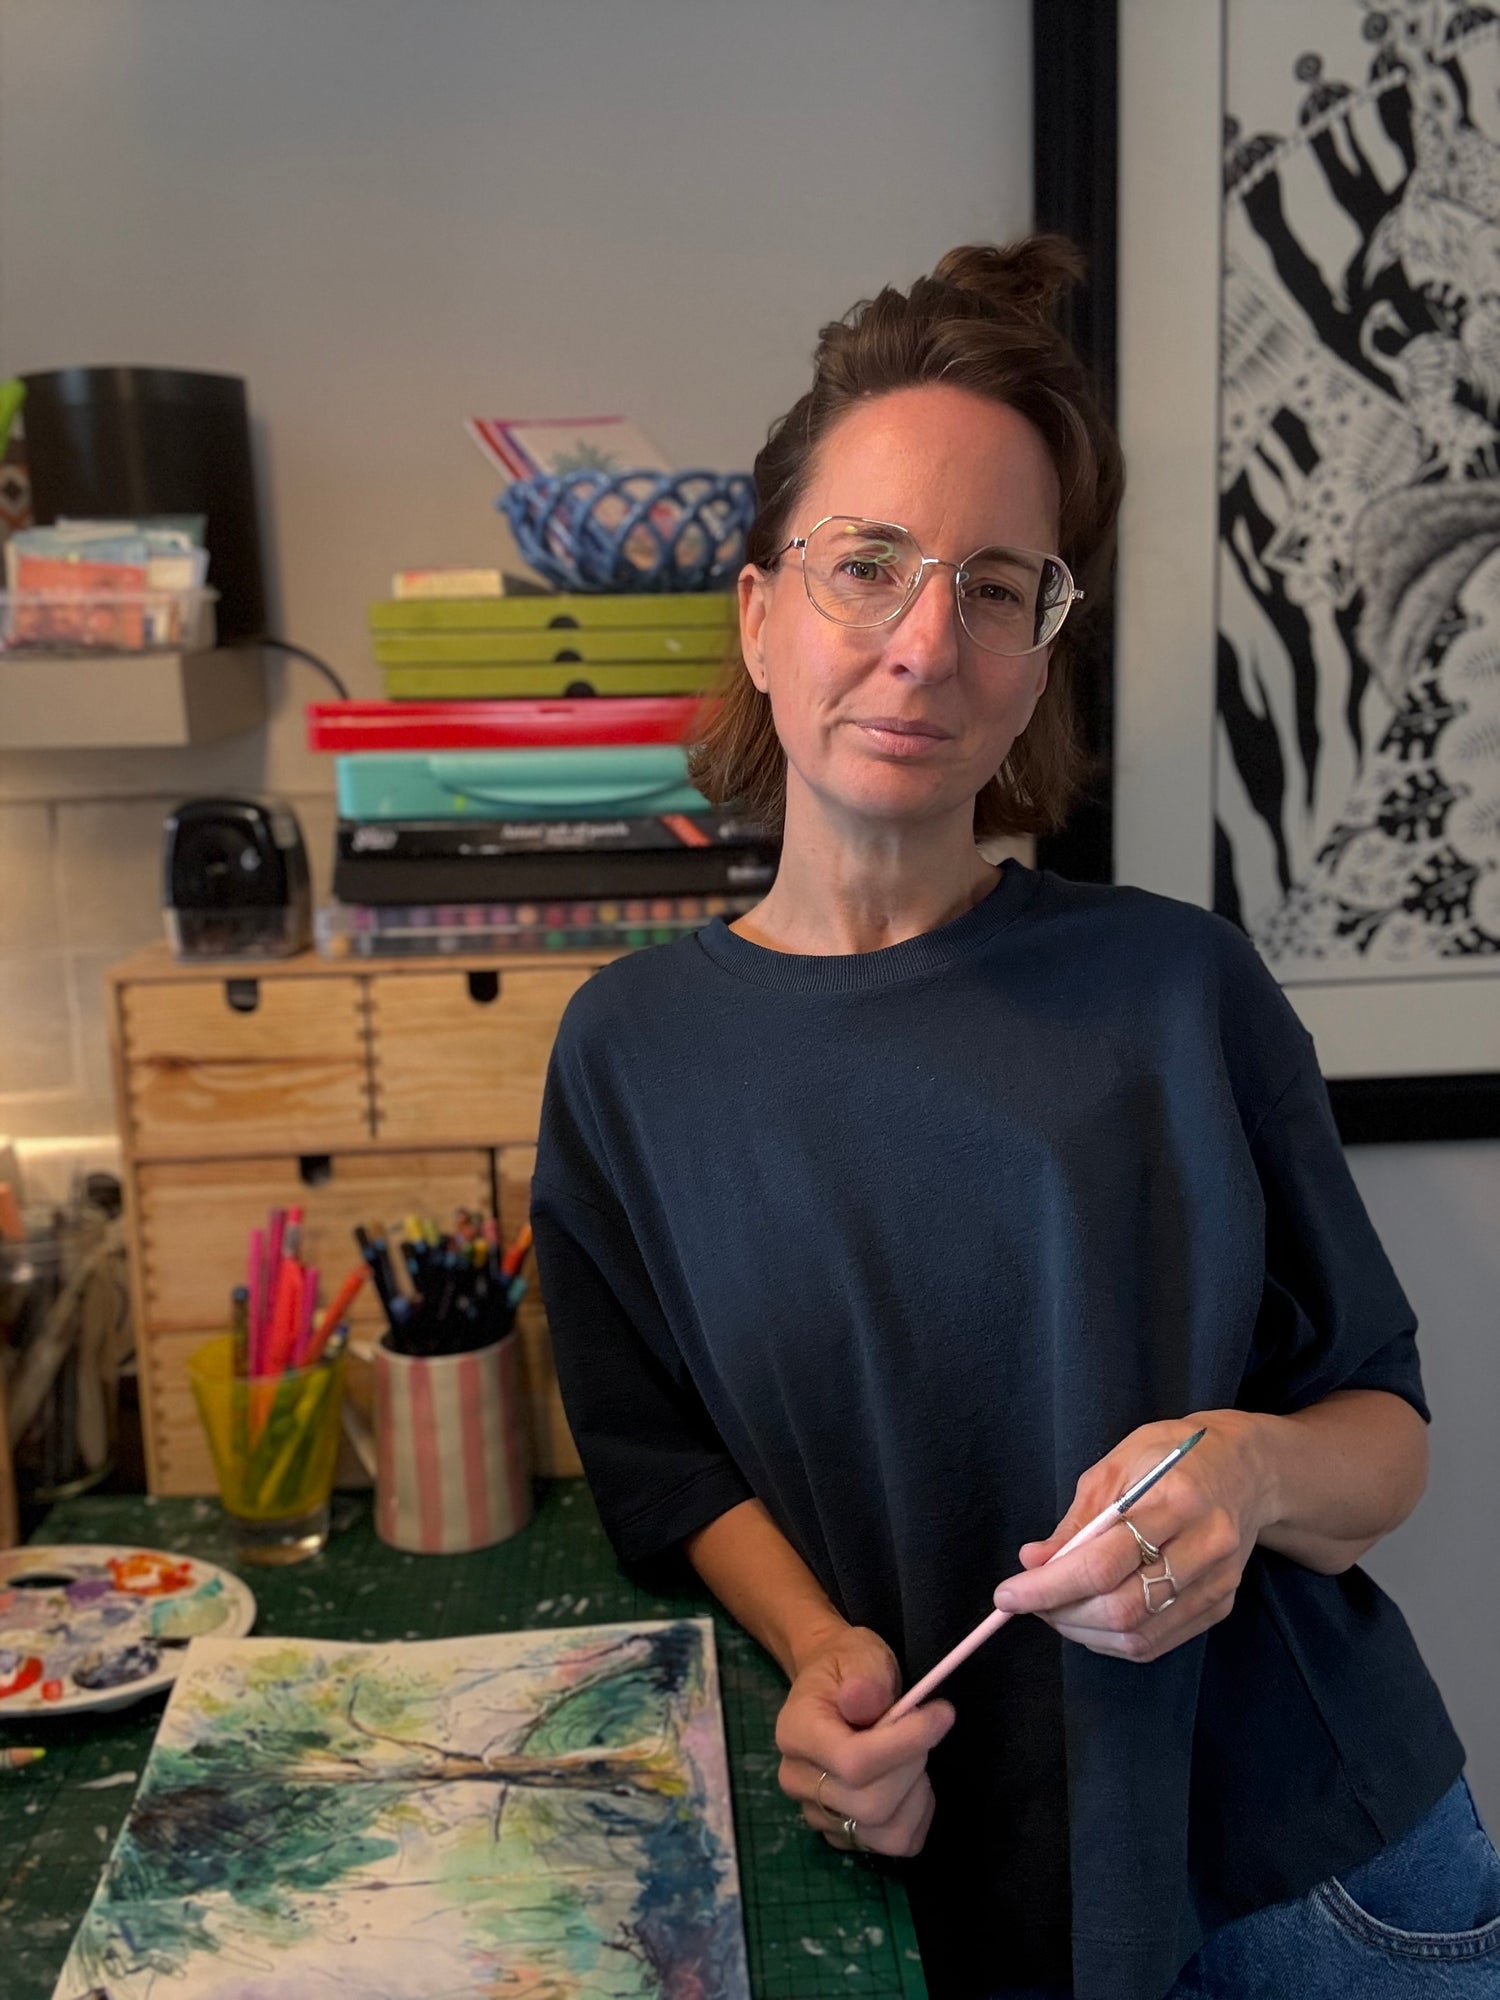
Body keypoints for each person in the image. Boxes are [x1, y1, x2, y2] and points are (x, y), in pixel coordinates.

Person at [530, 238, 1500, 1999]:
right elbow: (664, 1467)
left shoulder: (1178, 993)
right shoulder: (628, 1056)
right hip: (936, 1889)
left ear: (1044, 653)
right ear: (758, 614)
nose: (925, 642)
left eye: (997, 586)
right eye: (869, 568)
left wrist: (1254, 1469)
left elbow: (1385, 1449)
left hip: (1316, 1886)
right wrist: (823, 1657)